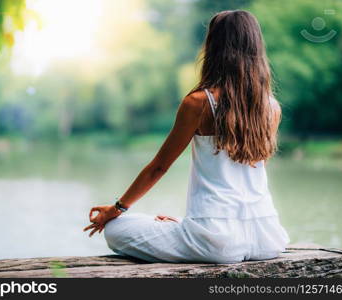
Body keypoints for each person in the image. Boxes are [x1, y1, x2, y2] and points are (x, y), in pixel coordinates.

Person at [83, 10, 290, 263]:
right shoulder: (272, 107)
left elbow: (158, 168)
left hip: (216, 241)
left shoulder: (199, 103)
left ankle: (189, 229)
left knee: (116, 229)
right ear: (255, 49)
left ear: (214, 47)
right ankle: (187, 227)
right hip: (266, 238)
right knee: (180, 226)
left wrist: (115, 210)